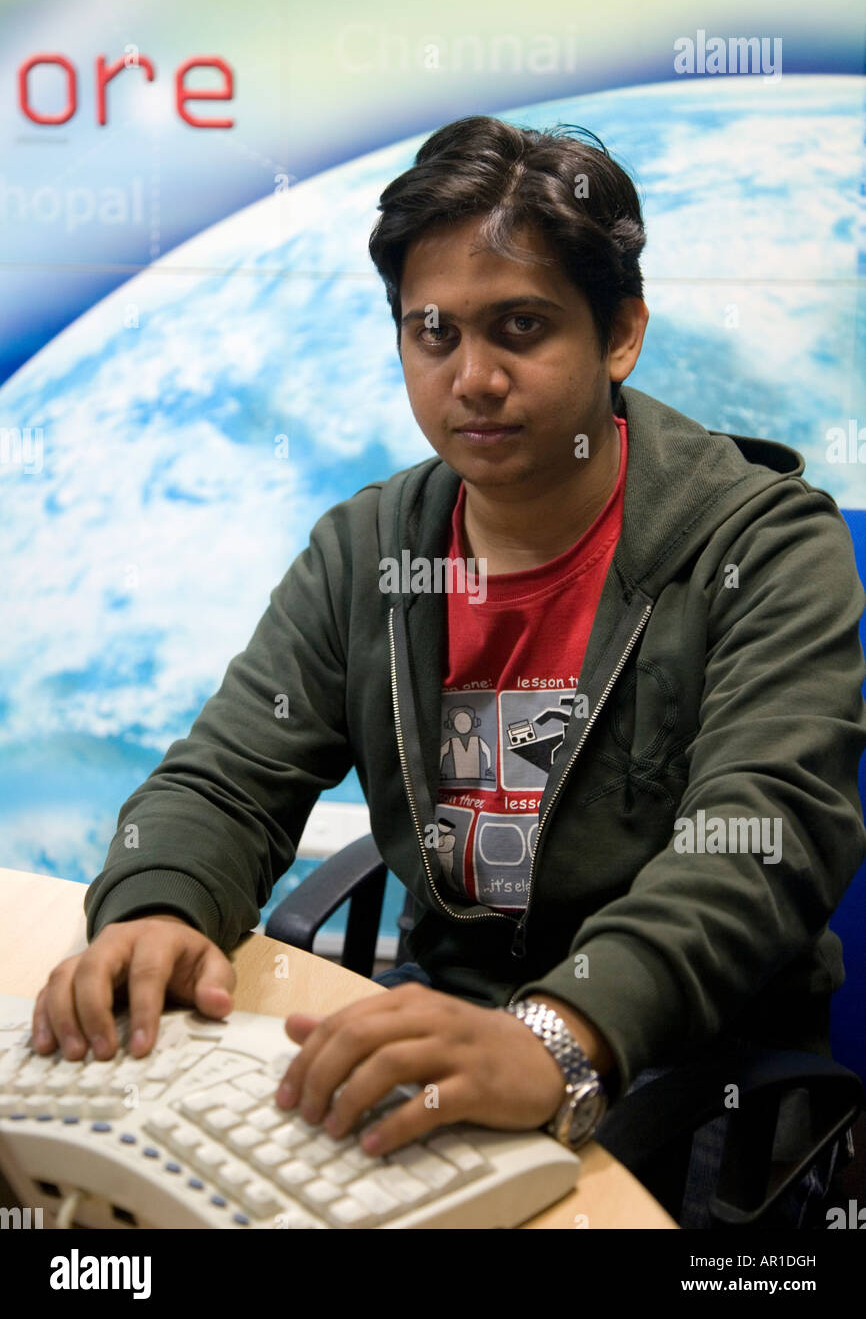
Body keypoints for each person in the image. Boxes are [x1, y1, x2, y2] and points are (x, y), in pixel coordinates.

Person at [31, 115, 866, 1227]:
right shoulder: (367, 550)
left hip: (683, 1077)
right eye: (432, 334)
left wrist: (562, 1034)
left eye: (519, 328)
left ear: (619, 334)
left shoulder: (759, 548)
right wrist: (155, 902)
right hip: (445, 1036)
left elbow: (764, 840)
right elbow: (223, 778)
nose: (471, 378)